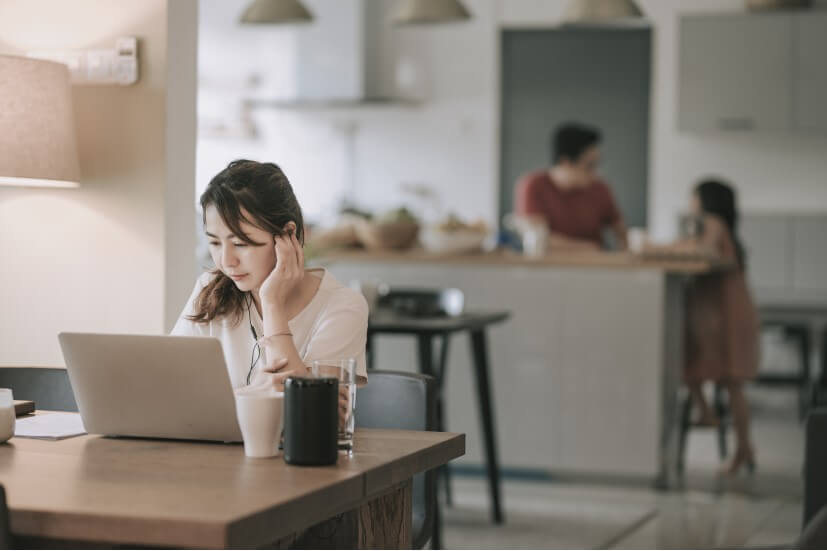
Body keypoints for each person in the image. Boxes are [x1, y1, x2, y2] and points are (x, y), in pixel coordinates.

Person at [172, 160, 369, 400]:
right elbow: (173, 391)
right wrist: (254, 393)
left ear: (286, 235)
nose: (226, 261)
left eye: (240, 244)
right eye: (214, 242)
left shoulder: (342, 307)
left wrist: (272, 302)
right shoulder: (209, 289)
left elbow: (313, 413)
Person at [652, 179, 760, 475]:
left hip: (721, 314)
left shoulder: (711, 222)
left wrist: (668, 249)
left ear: (704, 200)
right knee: (722, 377)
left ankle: (733, 440)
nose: (691, 202)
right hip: (727, 311)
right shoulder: (724, 227)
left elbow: (706, 251)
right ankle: (727, 431)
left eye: (693, 196)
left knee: (719, 375)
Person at [514, 122, 627, 251]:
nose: (596, 172)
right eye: (590, 165)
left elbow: (621, 232)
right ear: (565, 162)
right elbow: (537, 238)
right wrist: (588, 248)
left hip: (596, 266)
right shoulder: (533, 185)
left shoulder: (600, 187)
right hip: (549, 267)